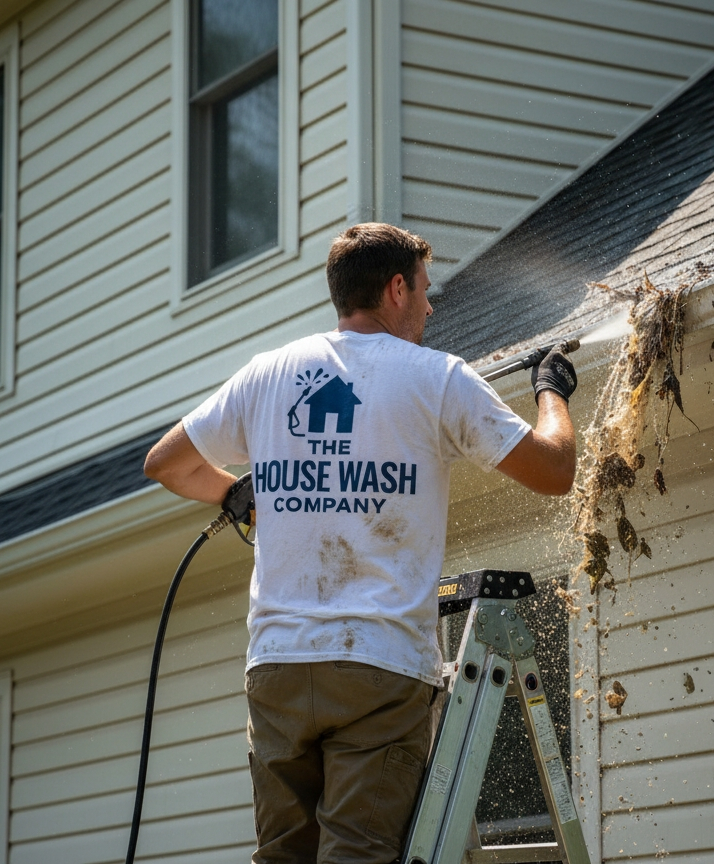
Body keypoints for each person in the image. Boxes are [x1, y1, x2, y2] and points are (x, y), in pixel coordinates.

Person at [143, 223, 577, 864]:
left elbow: (166, 464)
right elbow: (554, 470)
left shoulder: (269, 375)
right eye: (425, 290)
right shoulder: (438, 379)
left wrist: (236, 493)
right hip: (378, 666)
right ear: (396, 288)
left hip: (277, 669)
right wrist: (552, 392)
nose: (431, 307)